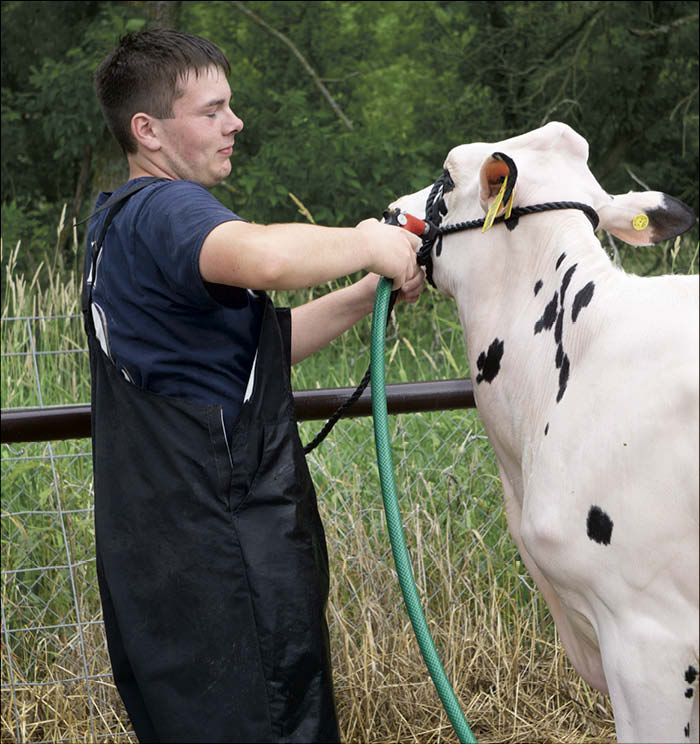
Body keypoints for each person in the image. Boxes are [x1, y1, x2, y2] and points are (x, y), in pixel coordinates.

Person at [82, 28, 423, 744]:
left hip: (165, 559)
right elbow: (265, 255)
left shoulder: (115, 224)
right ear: (148, 129)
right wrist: (367, 240)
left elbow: (258, 350)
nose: (234, 123)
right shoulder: (169, 210)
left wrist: (366, 293)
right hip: (223, 561)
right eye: (212, 110)